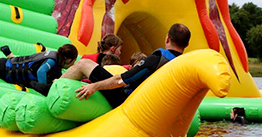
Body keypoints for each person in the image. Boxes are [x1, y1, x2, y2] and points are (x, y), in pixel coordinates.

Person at [61, 23, 191, 108]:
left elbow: (121, 80)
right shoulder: (184, 65)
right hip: (153, 106)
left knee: (84, 64)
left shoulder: (157, 59)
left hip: (128, 101)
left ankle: (53, 87)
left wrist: (94, 86)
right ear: (186, 44)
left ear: (167, 38)